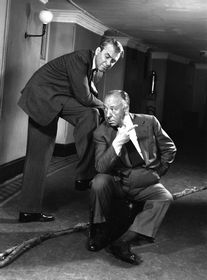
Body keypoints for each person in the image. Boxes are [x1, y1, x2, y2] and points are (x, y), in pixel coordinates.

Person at [18, 38, 124, 223]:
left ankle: (84, 174)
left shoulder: (95, 69)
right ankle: (29, 210)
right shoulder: (81, 59)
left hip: (58, 99)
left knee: (90, 114)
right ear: (98, 50)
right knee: (38, 157)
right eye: (107, 56)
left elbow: (90, 96)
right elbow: (84, 97)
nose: (108, 63)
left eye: (113, 61)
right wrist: (108, 108)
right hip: (41, 99)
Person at [87, 90, 176, 265]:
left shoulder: (149, 122)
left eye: (113, 109)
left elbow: (169, 148)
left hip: (145, 180)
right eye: (105, 109)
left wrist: (159, 171)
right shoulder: (101, 132)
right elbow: (100, 167)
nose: (108, 114)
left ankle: (123, 241)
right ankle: (100, 231)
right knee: (98, 182)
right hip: (118, 181)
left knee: (165, 198)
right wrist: (118, 141)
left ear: (125, 108)